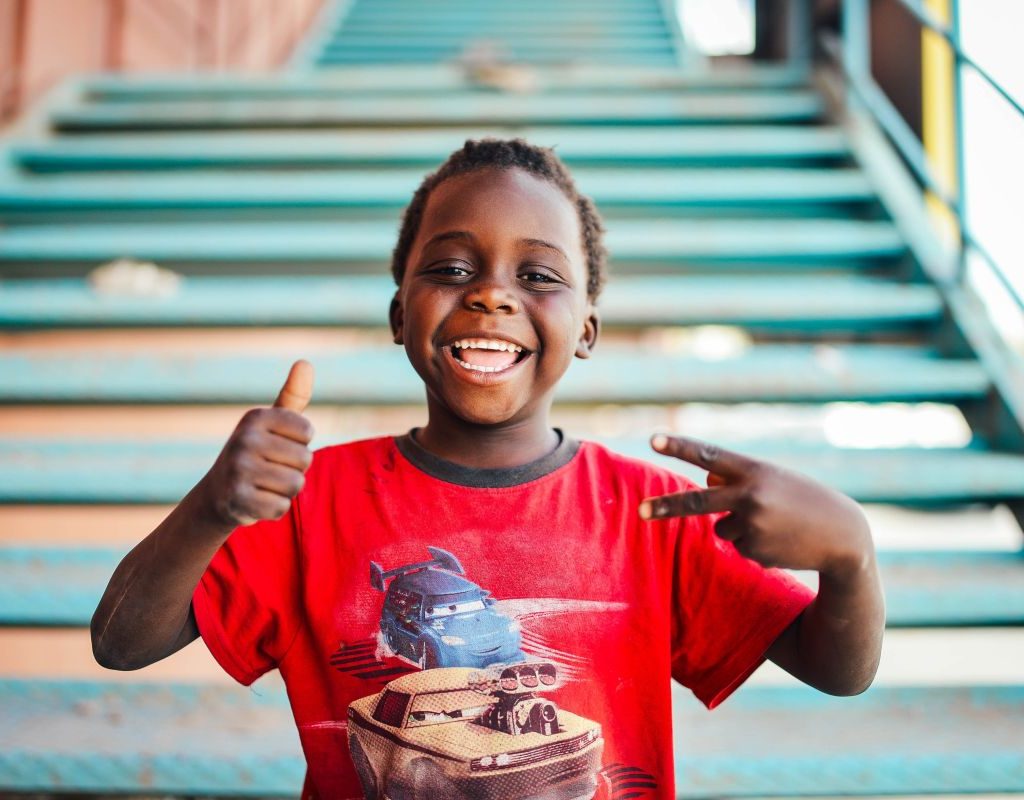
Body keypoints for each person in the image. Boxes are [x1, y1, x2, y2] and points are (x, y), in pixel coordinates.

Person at [91, 138, 885, 800]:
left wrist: (850, 554)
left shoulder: (650, 509)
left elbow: (836, 669)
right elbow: (120, 644)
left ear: (586, 328)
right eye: (452, 269)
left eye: (538, 276)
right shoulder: (307, 501)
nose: (492, 298)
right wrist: (213, 507)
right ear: (402, 313)